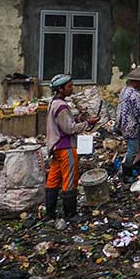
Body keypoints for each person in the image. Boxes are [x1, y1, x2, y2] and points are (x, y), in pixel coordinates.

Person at [45, 74, 97, 221]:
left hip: (55, 147)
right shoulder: (61, 106)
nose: (71, 88)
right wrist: (88, 123)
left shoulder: (54, 103)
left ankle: (49, 213)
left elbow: (64, 123)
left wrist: (80, 119)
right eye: (69, 86)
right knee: (70, 179)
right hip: (65, 146)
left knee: (53, 179)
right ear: (60, 89)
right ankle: (70, 214)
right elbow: (69, 129)